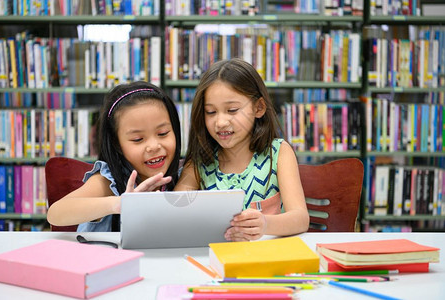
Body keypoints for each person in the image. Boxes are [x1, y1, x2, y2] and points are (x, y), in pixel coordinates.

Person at [175, 58, 309, 241]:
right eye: (211, 112)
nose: (221, 122)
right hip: (217, 259)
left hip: (269, 258)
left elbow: (301, 218)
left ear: (259, 108)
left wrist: (266, 224)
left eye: (232, 110)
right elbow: (176, 211)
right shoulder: (199, 162)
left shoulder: (278, 153)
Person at [47, 81, 182, 232]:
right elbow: (55, 213)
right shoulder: (108, 182)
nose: (154, 146)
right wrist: (118, 204)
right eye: (138, 139)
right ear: (117, 144)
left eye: (163, 133)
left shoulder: (184, 178)